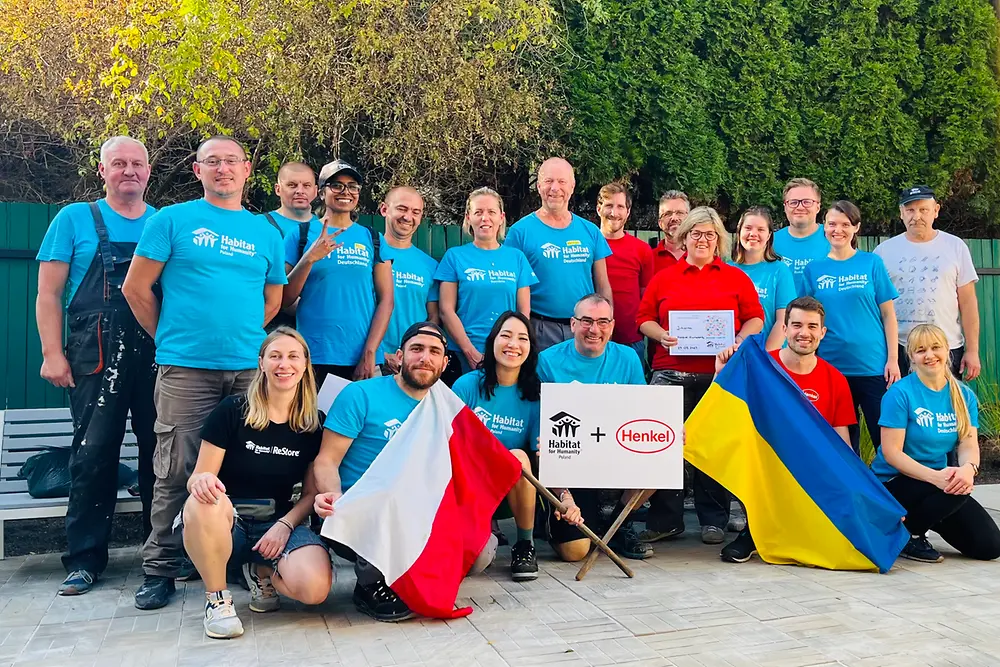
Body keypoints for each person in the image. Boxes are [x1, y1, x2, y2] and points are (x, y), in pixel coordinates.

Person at [123, 135, 288, 610]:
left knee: (242, 467)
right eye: (211, 162)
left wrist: (235, 334)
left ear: (247, 169)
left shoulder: (266, 233)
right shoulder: (171, 220)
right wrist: (172, 339)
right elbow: (136, 289)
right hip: (185, 369)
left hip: (247, 371)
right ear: (197, 172)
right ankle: (160, 568)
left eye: (231, 161)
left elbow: (273, 300)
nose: (222, 169)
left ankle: (229, 559)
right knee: (176, 468)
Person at [312, 322, 498, 621]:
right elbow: (326, 461)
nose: (425, 357)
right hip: (365, 512)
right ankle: (370, 584)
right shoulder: (360, 394)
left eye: (434, 351)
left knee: (481, 552)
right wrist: (333, 495)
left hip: (420, 509)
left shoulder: (447, 406)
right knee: (390, 494)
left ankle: (416, 572)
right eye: (417, 349)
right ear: (399, 356)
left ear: (444, 362)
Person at [36, 136, 157, 596]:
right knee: (92, 455)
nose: (129, 171)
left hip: (155, 356)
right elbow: (48, 294)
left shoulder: (163, 222)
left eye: (137, 164)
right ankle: (85, 559)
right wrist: (52, 352)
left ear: (149, 172)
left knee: (159, 457)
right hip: (93, 355)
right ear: (102, 170)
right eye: (119, 163)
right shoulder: (73, 219)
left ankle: (161, 553)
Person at [181, 327, 331, 639]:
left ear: (305, 365)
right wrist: (203, 482)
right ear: (261, 363)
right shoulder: (232, 411)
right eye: (274, 356)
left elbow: (310, 494)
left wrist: (286, 525)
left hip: (276, 523)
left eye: (292, 356)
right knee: (202, 501)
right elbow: (199, 475)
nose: (283, 364)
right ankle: (218, 599)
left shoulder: (313, 424)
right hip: (225, 523)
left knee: (314, 589)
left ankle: (262, 570)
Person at [636, 207, 764, 546]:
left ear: (719, 239)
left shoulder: (736, 277)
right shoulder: (664, 277)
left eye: (710, 234)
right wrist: (661, 334)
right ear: (684, 237)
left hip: (718, 375)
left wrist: (738, 341)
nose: (703, 240)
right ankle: (666, 519)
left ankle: (713, 520)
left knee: (712, 447)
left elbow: (756, 319)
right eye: (696, 233)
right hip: (670, 369)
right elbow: (643, 318)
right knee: (662, 444)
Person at [715, 297, 857, 562]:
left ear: (822, 333)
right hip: (767, 459)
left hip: (811, 466)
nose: (804, 333)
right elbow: (724, 414)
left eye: (813, 327)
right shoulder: (761, 367)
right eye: (797, 325)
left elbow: (841, 443)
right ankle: (753, 532)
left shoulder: (835, 379)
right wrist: (720, 374)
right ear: (784, 330)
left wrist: (861, 487)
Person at [871, 324, 1000, 563]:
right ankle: (908, 535)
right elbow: (891, 454)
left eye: (935, 347)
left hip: (936, 484)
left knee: (990, 546)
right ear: (911, 356)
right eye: (920, 350)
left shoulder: (963, 395)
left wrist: (968, 470)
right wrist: (936, 478)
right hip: (894, 482)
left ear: (947, 350)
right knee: (954, 490)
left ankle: (927, 518)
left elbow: (969, 444)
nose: (929, 355)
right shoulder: (899, 394)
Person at [536, 294, 651, 562]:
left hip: (613, 449)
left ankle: (619, 525)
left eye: (602, 322)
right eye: (586, 321)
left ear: (612, 325)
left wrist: (666, 430)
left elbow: (643, 410)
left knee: (664, 454)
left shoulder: (628, 357)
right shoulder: (548, 360)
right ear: (573, 324)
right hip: (570, 458)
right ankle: (551, 516)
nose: (594, 330)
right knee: (574, 553)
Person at [282, 160, 393, 386]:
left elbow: (387, 301)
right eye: (337, 185)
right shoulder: (300, 235)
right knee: (314, 421)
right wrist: (310, 258)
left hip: (363, 357)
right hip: (312, 355)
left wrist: (370, 352)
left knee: (362, 421)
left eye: (352, 186)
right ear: (322, 193)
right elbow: (284, 298)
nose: (346, 192)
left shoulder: (373, 238)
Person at [804, 201, 900, 455]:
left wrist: (893, 359)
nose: (838, 230)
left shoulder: (872, 263)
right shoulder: (813, 270)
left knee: (886, 442)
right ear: (824, 228)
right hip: (831, 369)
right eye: (832, 224)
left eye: (845, 224)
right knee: (842, 446)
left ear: (856, 228)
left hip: (873, 367)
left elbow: (889, 315)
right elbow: (805, 321)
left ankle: (890, 492)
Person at [452, 312, 541, 581]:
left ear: (530, 348)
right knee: (471, 562)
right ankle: (479, 531)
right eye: (506, 335)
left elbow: (540, 453)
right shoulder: (467, 385)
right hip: (466, 485)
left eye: (522, 338)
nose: (513, 344)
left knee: (519, 457)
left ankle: (525, 545)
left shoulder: (534, 396)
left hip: (507, 490)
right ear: (492, 342)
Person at [874, 185, 981, 381]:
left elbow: (968, 303)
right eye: (910, 210)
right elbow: (876, 304)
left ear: (936, 211)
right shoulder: (883, 252)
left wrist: (972, 350)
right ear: (901, 214)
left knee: (946, 408)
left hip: (946, 347)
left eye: (923, 209)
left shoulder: (955, 246)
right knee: (903, 408)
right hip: (900, 348)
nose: (917, 216)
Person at [504, 158, 613, 351]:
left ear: (572, 186)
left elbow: (603, 285)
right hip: (538, 328)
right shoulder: (520, 232)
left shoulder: (590, 231)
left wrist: (607, 323)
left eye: (562, 182)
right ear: (538, 186)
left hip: (585, 328)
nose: (555, 188)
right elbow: (511, 289)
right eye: (548, 181)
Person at [436, 188, 537, 380]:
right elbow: (445, 310)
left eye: (491, 212)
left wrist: (513, 346)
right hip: (463, 352)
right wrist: (469, 352)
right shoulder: (454, 257)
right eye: (478, 212)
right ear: (469, 218)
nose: (485, 218)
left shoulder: (517, 258)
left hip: (507, 351)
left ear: (501, 217)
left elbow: (523, 312)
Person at [377, 186, 440, 374]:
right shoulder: (368, 254)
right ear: (384, 209)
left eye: (415, 212)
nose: (408, 217)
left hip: (412, 365)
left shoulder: (429, 265)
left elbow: (433, 317)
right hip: (369, 360)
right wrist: (380, 354)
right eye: (402, 209)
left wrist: (415, 355)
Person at [598, 182, 654, 367]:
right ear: (599, 209)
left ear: (628, 212)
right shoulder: (588, 246)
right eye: (609, 205)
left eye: (620, 206)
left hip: (631, 339)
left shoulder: (642, 250)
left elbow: (645, 295)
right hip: (591, 335)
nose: (614, 212)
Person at [261, 162, 319, 330]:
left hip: (320, 324)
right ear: (278, 189)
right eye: (292, 185)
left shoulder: (327, 228)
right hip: (272, 323)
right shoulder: (259, 226)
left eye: (306, 185)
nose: (300, 191)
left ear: (315, 191)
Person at [731, 207, 796, 351]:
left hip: (769, 356)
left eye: (760, 230)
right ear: (739, 232)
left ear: (768, 236)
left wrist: (766, 358)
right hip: (734, 357)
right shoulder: (726, 270)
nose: (753, 234)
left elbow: (783, 321)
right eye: (748, 228)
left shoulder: (780, 271)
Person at [773, 178, 830, 295]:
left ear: (818, 207)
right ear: (785, 207)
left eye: (807, 202)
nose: (799, 207)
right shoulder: (770, 242)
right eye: (793, 202)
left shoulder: (833, 237)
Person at [652, 191, 690, 275]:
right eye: (667, 214)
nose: (674, 218)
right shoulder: (649, 259)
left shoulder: (701, 257)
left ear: (689, 219)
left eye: (680, 213)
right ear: (660, 223)